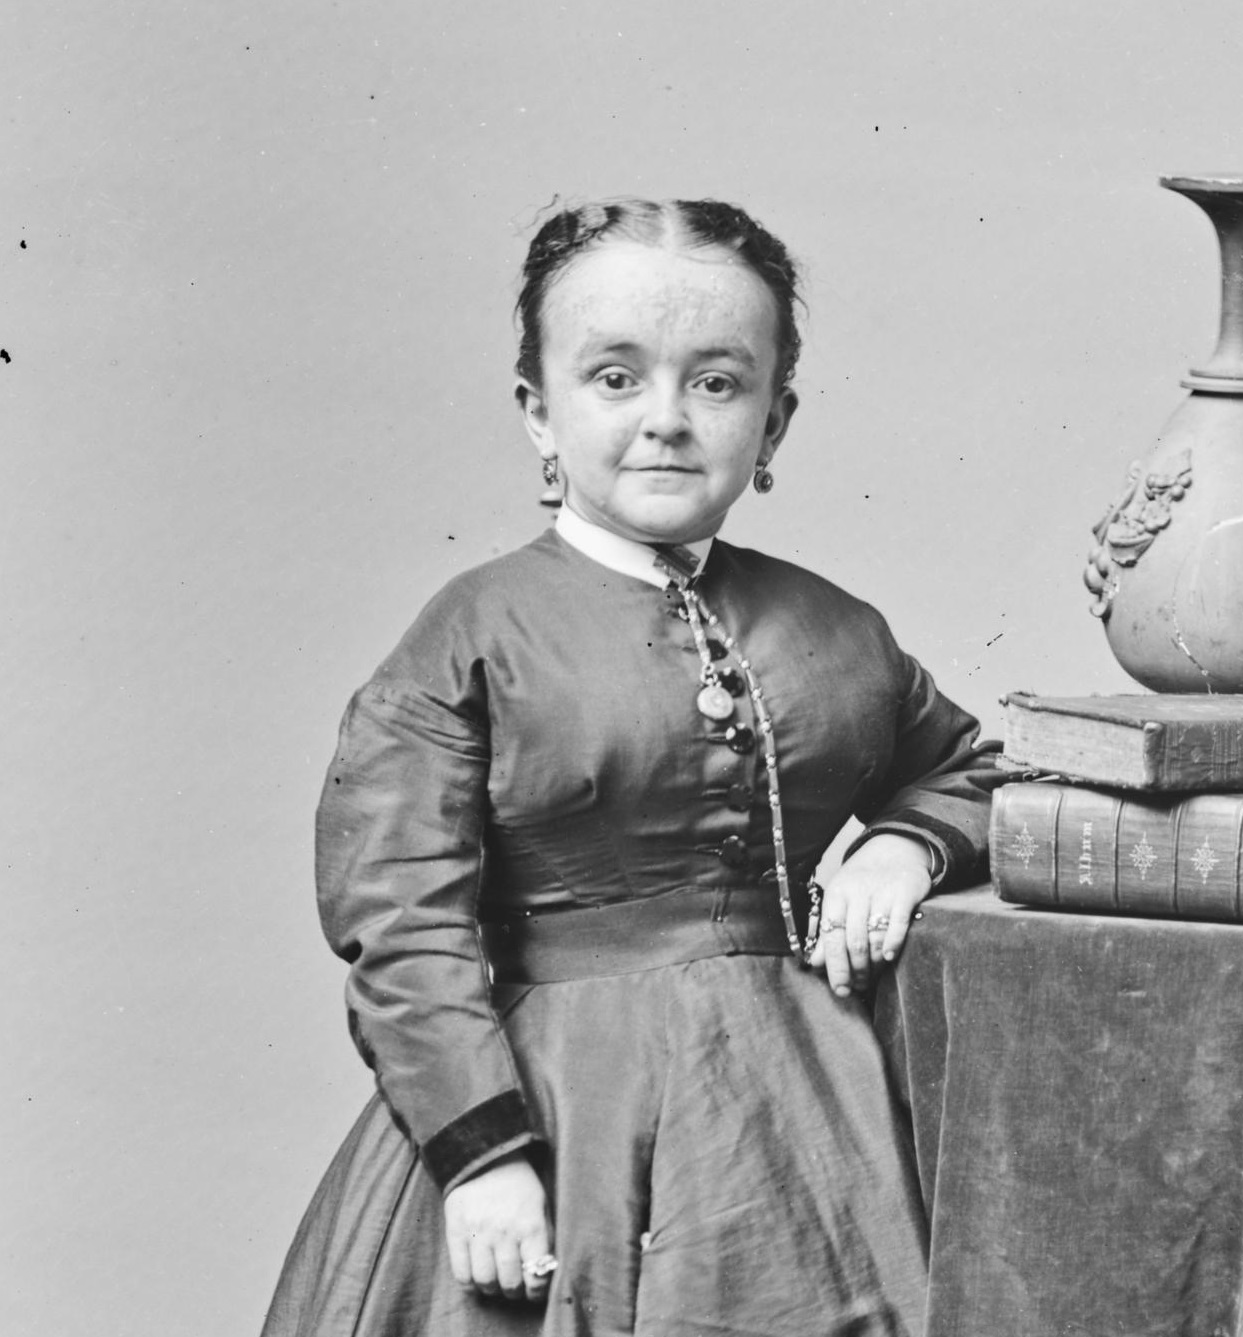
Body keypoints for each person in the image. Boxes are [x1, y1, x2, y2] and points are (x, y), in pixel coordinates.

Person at [262, 198, 1003, 1337]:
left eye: (716, 383)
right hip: (548, 1121)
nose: (666, 420)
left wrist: (908, 842)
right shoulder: (472, 634)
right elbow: (401, 919)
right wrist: (483, 1157)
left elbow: (974, 769)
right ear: (538, 413)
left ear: (775, 422)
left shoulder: (833, 628)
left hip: (810, 1115)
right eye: (615, 378)